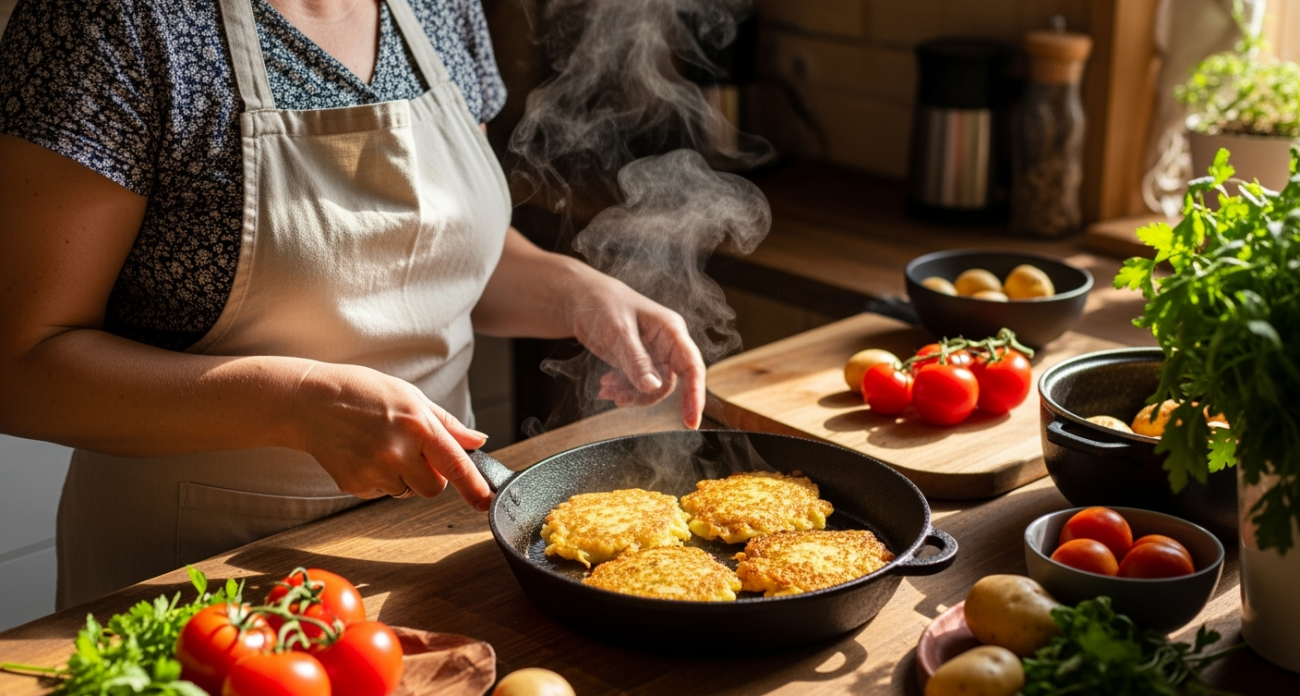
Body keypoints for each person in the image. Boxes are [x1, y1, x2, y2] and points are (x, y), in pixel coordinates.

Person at [0, 0, 705, 609]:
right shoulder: (112, 20)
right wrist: (298, 404)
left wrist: (578, 293)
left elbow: (437, 255)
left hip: (441, 540)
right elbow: (19, 365)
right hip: (197, 572)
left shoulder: (439, 7)